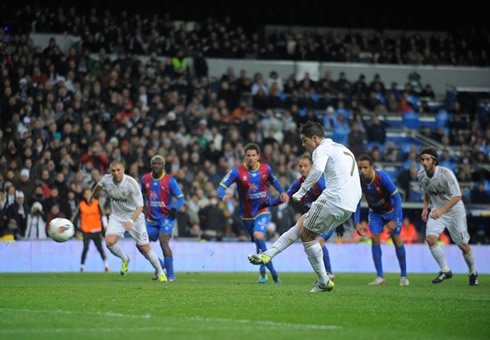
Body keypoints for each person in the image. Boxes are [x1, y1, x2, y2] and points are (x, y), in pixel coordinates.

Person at [249, 121, 362, 292]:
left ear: (315, 139)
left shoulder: (321, 150)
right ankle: (268, 254)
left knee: (306, 234)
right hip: (351, 203)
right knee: (303, 224)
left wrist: (302, 191)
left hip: (334, 198)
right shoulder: (342, 148)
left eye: (304, 140)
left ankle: (324, 280)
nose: (303, 145)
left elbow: (316, 171)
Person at [218, 143, 289, 284]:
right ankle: (263, 272)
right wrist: (223, 196)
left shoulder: (265, 169)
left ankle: (274, 274)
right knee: (258, 242)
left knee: (259, 235)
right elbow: (222, 186)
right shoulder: (237, 172)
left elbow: (274, 181)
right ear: (245, 157)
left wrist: (282, 192)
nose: (251, 158)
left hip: (263, 209)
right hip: (247, 215)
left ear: (258, 156)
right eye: (248, 155)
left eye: (253, 155)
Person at [89, 160, 167, 282]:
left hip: (134, 217)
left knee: (144, 248)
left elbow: (140, 207)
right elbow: (99, 185)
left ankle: (161, 272)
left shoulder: (131, 184)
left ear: (123, 170)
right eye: (113, 171)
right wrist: (91, 197)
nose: (116, 173)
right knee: (109, 242)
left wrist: (131, 221)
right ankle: (125, 259)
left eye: (118, 170)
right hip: (117, 216)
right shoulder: (107, 180)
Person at [265, 154, 337, 280]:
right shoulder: (298, 183)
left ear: (312, 167)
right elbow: (286, 196)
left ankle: (327, 274)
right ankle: (326, 274)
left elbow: (333, 200)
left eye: (305, 166)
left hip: (326, 218)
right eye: (300, 166)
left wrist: (338, 223)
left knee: (319, 242)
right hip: (311, 219)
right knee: (315, 243)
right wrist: (268, 204)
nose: (302, 168)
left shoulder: (320, 183)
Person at [417, 147, 478, 285]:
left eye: (428, 159)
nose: (425, 162)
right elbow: (427, 190)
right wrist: (425, 207)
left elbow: (457, 196)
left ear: (434, 161)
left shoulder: (446, 174)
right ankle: (445, 270)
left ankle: (473, 272)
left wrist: (441, 211)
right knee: (430, 239)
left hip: (455, 211)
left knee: (463, 246)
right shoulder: (421, 174)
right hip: (438, 210)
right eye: (422, 160)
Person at [354, 154, 408, 286]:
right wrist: (356, 222)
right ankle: (380, 277)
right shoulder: (359, 180)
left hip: (391, 213)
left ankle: (404, 275)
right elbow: (356, 201)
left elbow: (398, 199)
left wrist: (394, 220)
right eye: (360, 168)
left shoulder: (382, 178)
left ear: (372, 167)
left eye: (365, 167)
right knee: (375, 238)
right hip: (375, 214)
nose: (362, 171)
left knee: (396, 240)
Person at [141, 155, 185, 281]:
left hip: (166, 218)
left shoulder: (170, 180)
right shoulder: (145, 179)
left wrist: (174, 208)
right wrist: (142, 209)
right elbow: (141, 195)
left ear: (163, 166)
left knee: (163, 240)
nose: (156, 166)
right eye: (154, 163)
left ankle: (171, 275)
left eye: (159, 163)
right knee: (141, 244)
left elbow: (181, 198)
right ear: (151, 165)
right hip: (151, 219)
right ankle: (160, 265)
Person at [72, 188, 110, 273]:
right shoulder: (81, 204)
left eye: (90, 193)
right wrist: (74, 227)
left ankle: (106, 266)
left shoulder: (97, 203)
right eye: (86, 194)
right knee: (85, 248)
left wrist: (105, 226)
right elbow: (75, 216)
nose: (88, 195)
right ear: (84, 195)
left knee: (100, 248)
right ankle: (82, 267)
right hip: (86, 230)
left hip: (96, 230)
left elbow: (103, 214)